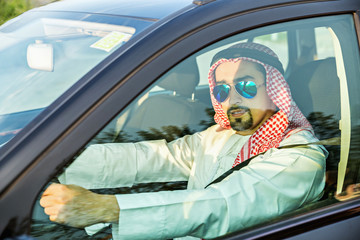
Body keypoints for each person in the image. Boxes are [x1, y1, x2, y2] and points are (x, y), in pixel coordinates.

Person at [40, 43, 327, 239]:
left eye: (246, 86)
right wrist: (50, 164)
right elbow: (149, 158)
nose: (233, 98)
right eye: (222, 90)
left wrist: (106, 208)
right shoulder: (221, 136)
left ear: (276, 89)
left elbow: (220, 205)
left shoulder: (300, 158)